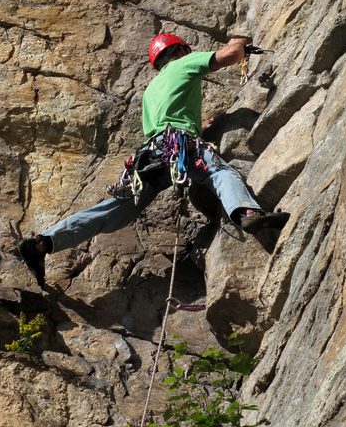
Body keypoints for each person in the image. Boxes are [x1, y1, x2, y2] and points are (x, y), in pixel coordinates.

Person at [18, 34, 289, 286]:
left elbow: (169, 119)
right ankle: (247, 213)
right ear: (179, 50)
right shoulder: (184, 64)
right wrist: (239, 42)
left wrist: (202, 125)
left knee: (113, 211)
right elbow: (229, 55)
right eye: (185, 51)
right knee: (219, 173)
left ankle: (45, 242)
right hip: (180, 145)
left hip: (150, 156)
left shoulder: (152, 89)